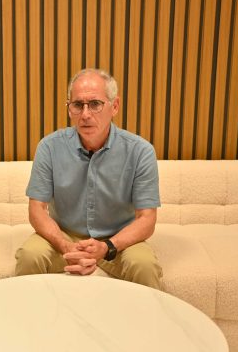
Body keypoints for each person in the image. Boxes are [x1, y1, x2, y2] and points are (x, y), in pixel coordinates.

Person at [15, 68, 162, 289]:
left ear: (114, 106)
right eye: (78, 105)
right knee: (29, 257)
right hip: (63, 236)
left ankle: (147, 315)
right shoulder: (49, 147)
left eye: (95, 104)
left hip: (118, 241)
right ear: (69, 109)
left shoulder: (140, 151)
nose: (85, 114)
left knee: (144, 266)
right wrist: (65, 245)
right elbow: (37, 209)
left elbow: (147, 219)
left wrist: (108, 246)